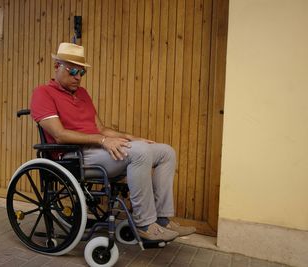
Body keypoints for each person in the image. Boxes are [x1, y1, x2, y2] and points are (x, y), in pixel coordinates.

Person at [30, 42, 195, 241]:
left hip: (98, 149)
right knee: (140, 153)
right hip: (74, 155)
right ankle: (144, 224)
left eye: (82, 72)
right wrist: (102, 140)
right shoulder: (42, 93)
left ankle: (162, 220)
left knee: (165, 151)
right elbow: (60, 135)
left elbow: (101, 128)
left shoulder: (82, 94)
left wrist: (131, 137)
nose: (77, 77)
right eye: (72, 70)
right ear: (57, 66)